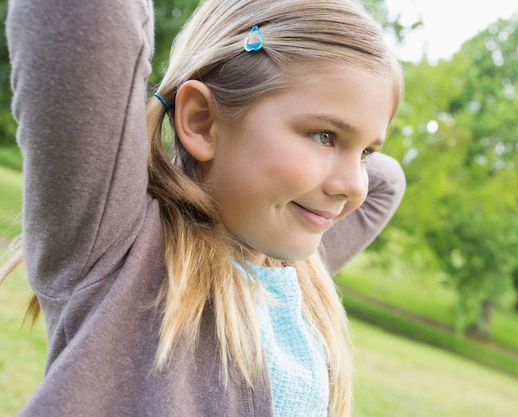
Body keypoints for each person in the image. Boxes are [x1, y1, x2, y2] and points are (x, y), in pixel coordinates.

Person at [4, 0, 404, 415]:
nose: (353, 186)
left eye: (365, 153)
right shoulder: (119, 251)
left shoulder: (293, 275)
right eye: (324, 135)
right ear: (200, 121)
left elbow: (387, 182)